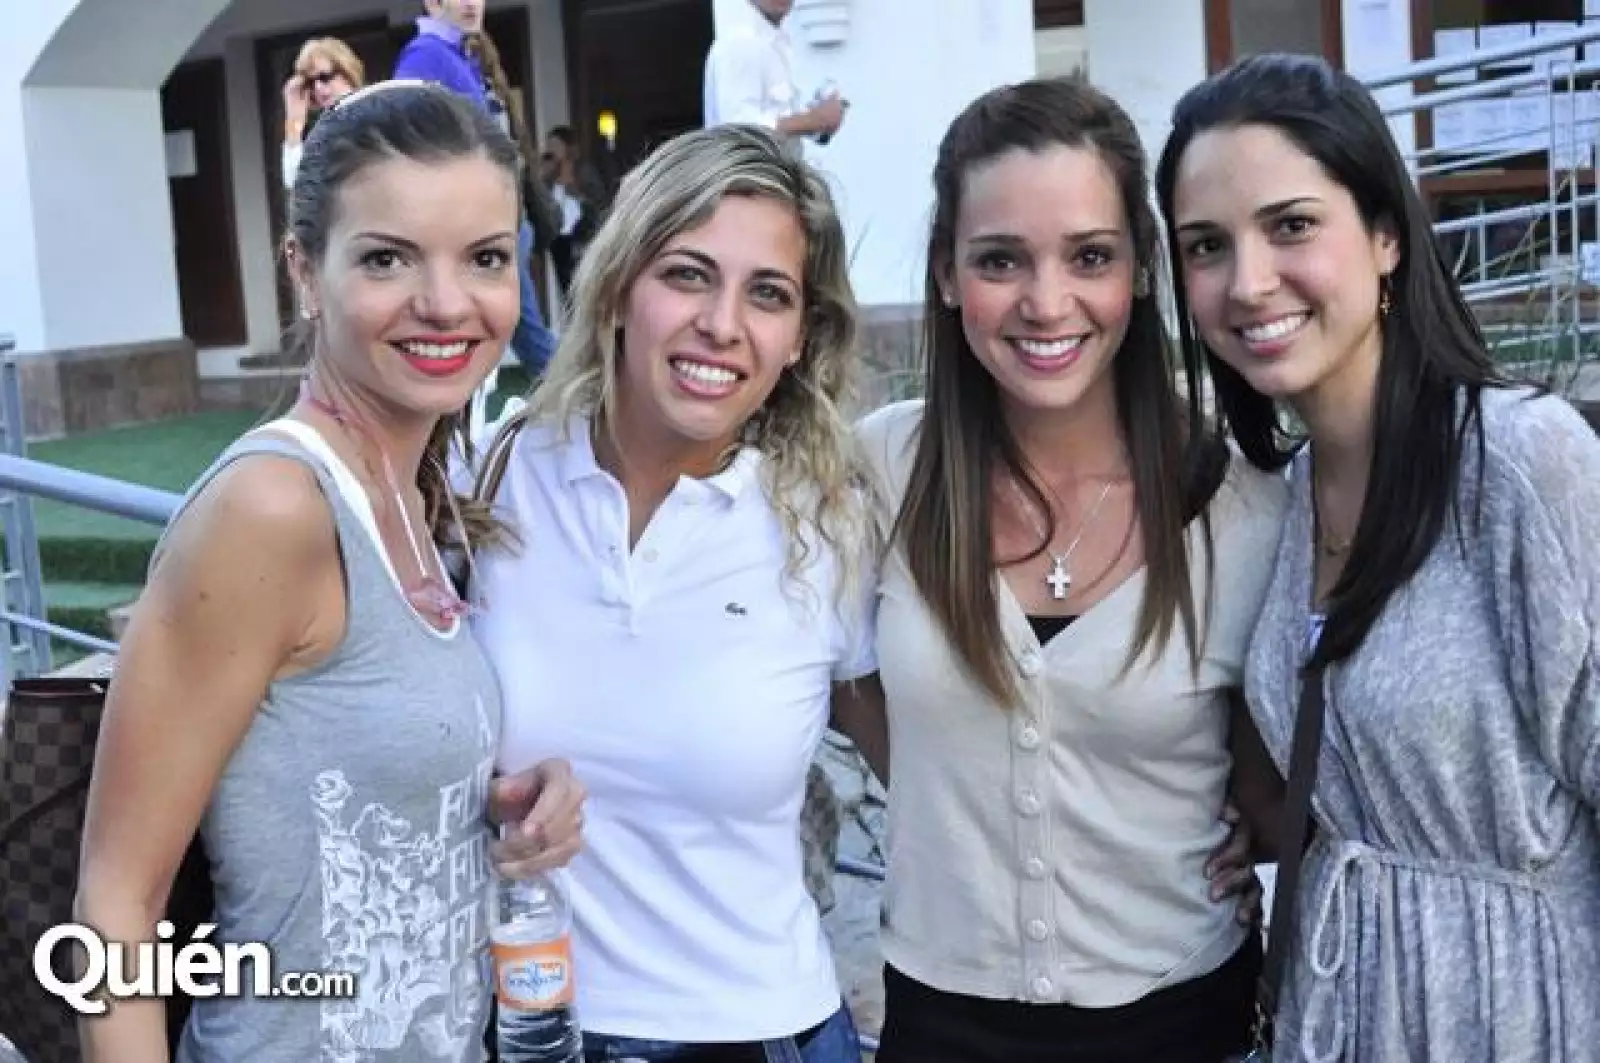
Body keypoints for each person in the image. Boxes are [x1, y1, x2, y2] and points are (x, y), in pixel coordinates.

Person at [74, 82, 584, 1063]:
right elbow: (115, 900)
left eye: (483, 258)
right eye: (387, 258)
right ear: (305, 271)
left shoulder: (418, 489)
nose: (444, 303)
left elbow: (327, 782)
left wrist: (495, 797)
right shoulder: (273, 507)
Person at [1155, 52, 1600, 1062]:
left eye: (1291, 226)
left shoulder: (1521, 464)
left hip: (1519, 1016)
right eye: (1204, 246)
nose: (1246, 281)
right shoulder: (1283, 494)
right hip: (1337, 1014)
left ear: (1387, 234)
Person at [845, 76, 1283, 1063]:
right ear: (948, 274)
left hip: (1184, 1015)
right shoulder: (882, 470)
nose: (1047, 303)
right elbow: (839, 683)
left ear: (1138, 269)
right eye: (1000, 259)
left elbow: (1277, 764)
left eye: (1089, 256)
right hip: (941, 1016)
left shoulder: (1238, 494)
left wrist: (1252, 826)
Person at [465, 123, 872, 1061]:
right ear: (617, 288)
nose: (722, 324)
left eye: (767, 294)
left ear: (798, 338)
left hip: (763, 1034)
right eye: (687, 274)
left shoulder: (831, 521)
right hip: (527, 1027)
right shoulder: (501, 473)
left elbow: (937, 762)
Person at [394, 0, 560, 378]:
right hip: (472, 225)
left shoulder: (460, 55)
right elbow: (407, 147)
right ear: (433, 2)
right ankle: (582, 405)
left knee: (508, 329)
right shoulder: (425, 57)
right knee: (521, 332)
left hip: (500, 219)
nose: (472, 2)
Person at [703, 0, 846, 144]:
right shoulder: (742, 42)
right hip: (753, 165)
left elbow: (777, 120)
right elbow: (739, 129)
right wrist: (812, 120)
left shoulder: (777, 41)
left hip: (776, 163)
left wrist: (820, 122)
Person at [279, 37, 363, 190]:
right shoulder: (324, 129)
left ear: (347, 73)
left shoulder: (373, 111)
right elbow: (297, 183)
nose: (317, 87)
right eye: (310, 82)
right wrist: (294, 120)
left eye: (324, 77)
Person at [540, 125, 610, 297]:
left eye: (556, 144)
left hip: (583, 235)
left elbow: (601, 202)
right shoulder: (549, 173)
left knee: (584, 286)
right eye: (549, 145)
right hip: (559, 237)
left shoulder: (583, 170)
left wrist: (576, 192)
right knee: (566, 289)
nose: (551, 149)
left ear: (567, 147)